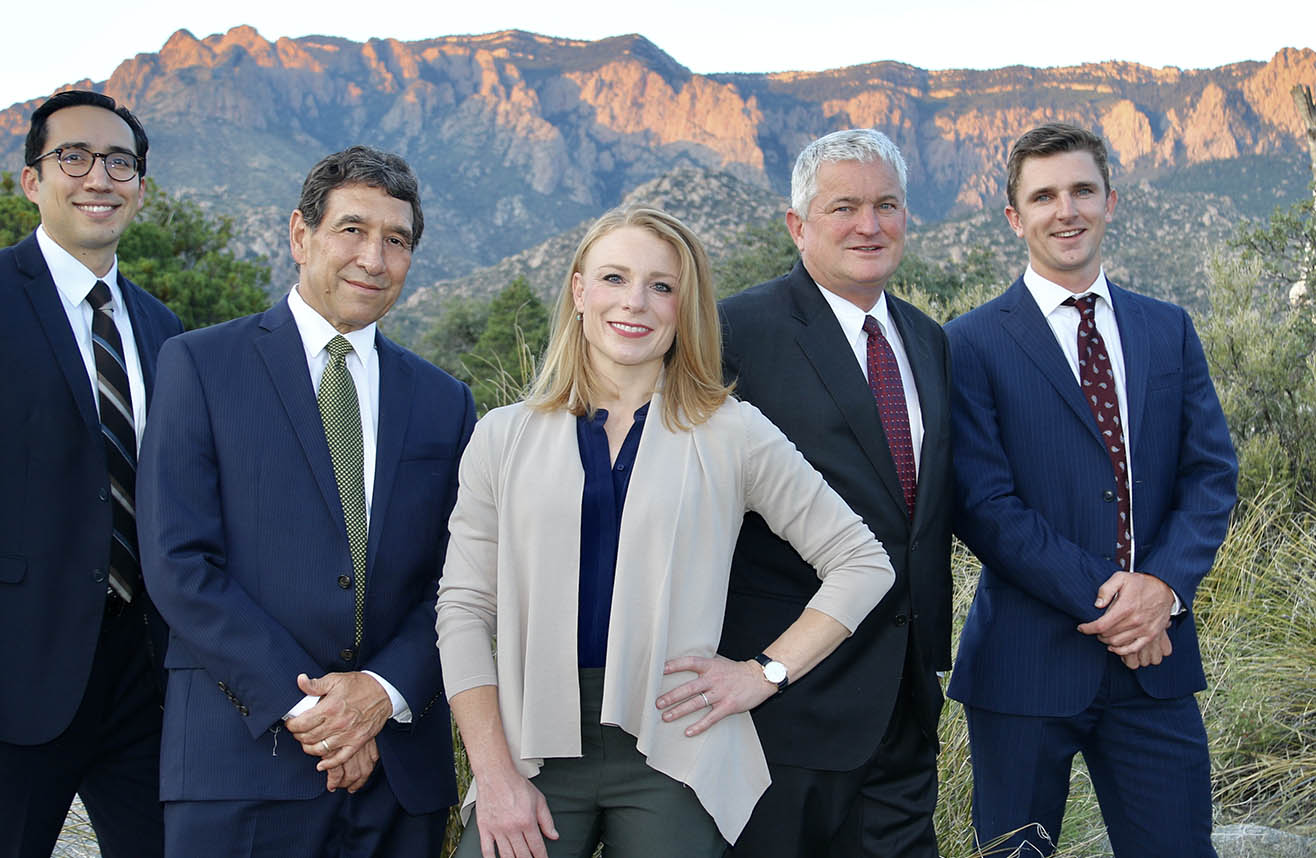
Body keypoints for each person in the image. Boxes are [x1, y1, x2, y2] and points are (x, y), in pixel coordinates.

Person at [437, 204, 895, 858]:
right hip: (527, 745)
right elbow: (462, 610)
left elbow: (862, 562)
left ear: (686, 308)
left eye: (662, 286)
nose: (636, 303)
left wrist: (764, 674)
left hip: (673, 748)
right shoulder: (502, 437)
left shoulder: (731, 432)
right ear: (578, 292)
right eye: (615, 278)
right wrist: (494, 771)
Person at [137, 145, 475, 857]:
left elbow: (459, 578)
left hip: (395, 773)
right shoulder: (201, 365)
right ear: (300, 234)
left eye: (396, 240)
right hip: (240, 763)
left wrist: (380, 693)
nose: (374, 259)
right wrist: (315, 713)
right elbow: (179, 561)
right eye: (352, 229)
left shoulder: (445, 402)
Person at [0, 89, 182, 857]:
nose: (98, 177)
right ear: (31, 181)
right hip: (3, 684)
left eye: (120, 163)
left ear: (140, 188)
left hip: (143, 686)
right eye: (72, 157)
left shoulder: (163, 330)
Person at [946, 122, 1238, 856]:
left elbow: (1211, 475)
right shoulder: (970, 343)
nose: (1065, 210)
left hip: (1156, 662)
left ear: (1111, 200)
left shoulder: (1166, 329)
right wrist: (1118, 601)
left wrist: (1162, 591)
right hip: (1024, 668)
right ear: (1014, 217)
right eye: (1043, 196)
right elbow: (984, 506)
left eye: (1081, 189)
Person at [716, 128, 954, 857]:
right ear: (797, 225)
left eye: (886, 205)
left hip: (906, 704)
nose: (869, 225)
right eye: (844, 207)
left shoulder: (928, 339)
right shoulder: (733, 332)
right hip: (784, 704)